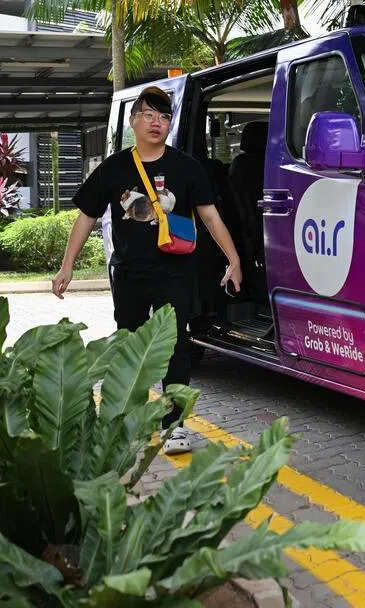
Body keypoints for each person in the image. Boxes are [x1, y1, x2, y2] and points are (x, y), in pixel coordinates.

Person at [52, 86, 243, 454]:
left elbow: (209, 216)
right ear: (134, 121)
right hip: (129, 274)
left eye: (164, 116)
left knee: (175, 347)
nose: (157, 123)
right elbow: (86, 217)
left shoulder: (187, 167)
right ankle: (131, 420)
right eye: (149, 115)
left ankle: (175, 426)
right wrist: (67, 266)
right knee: (130, 349)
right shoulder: (115, 168)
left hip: (176, 272)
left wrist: (233, 259)